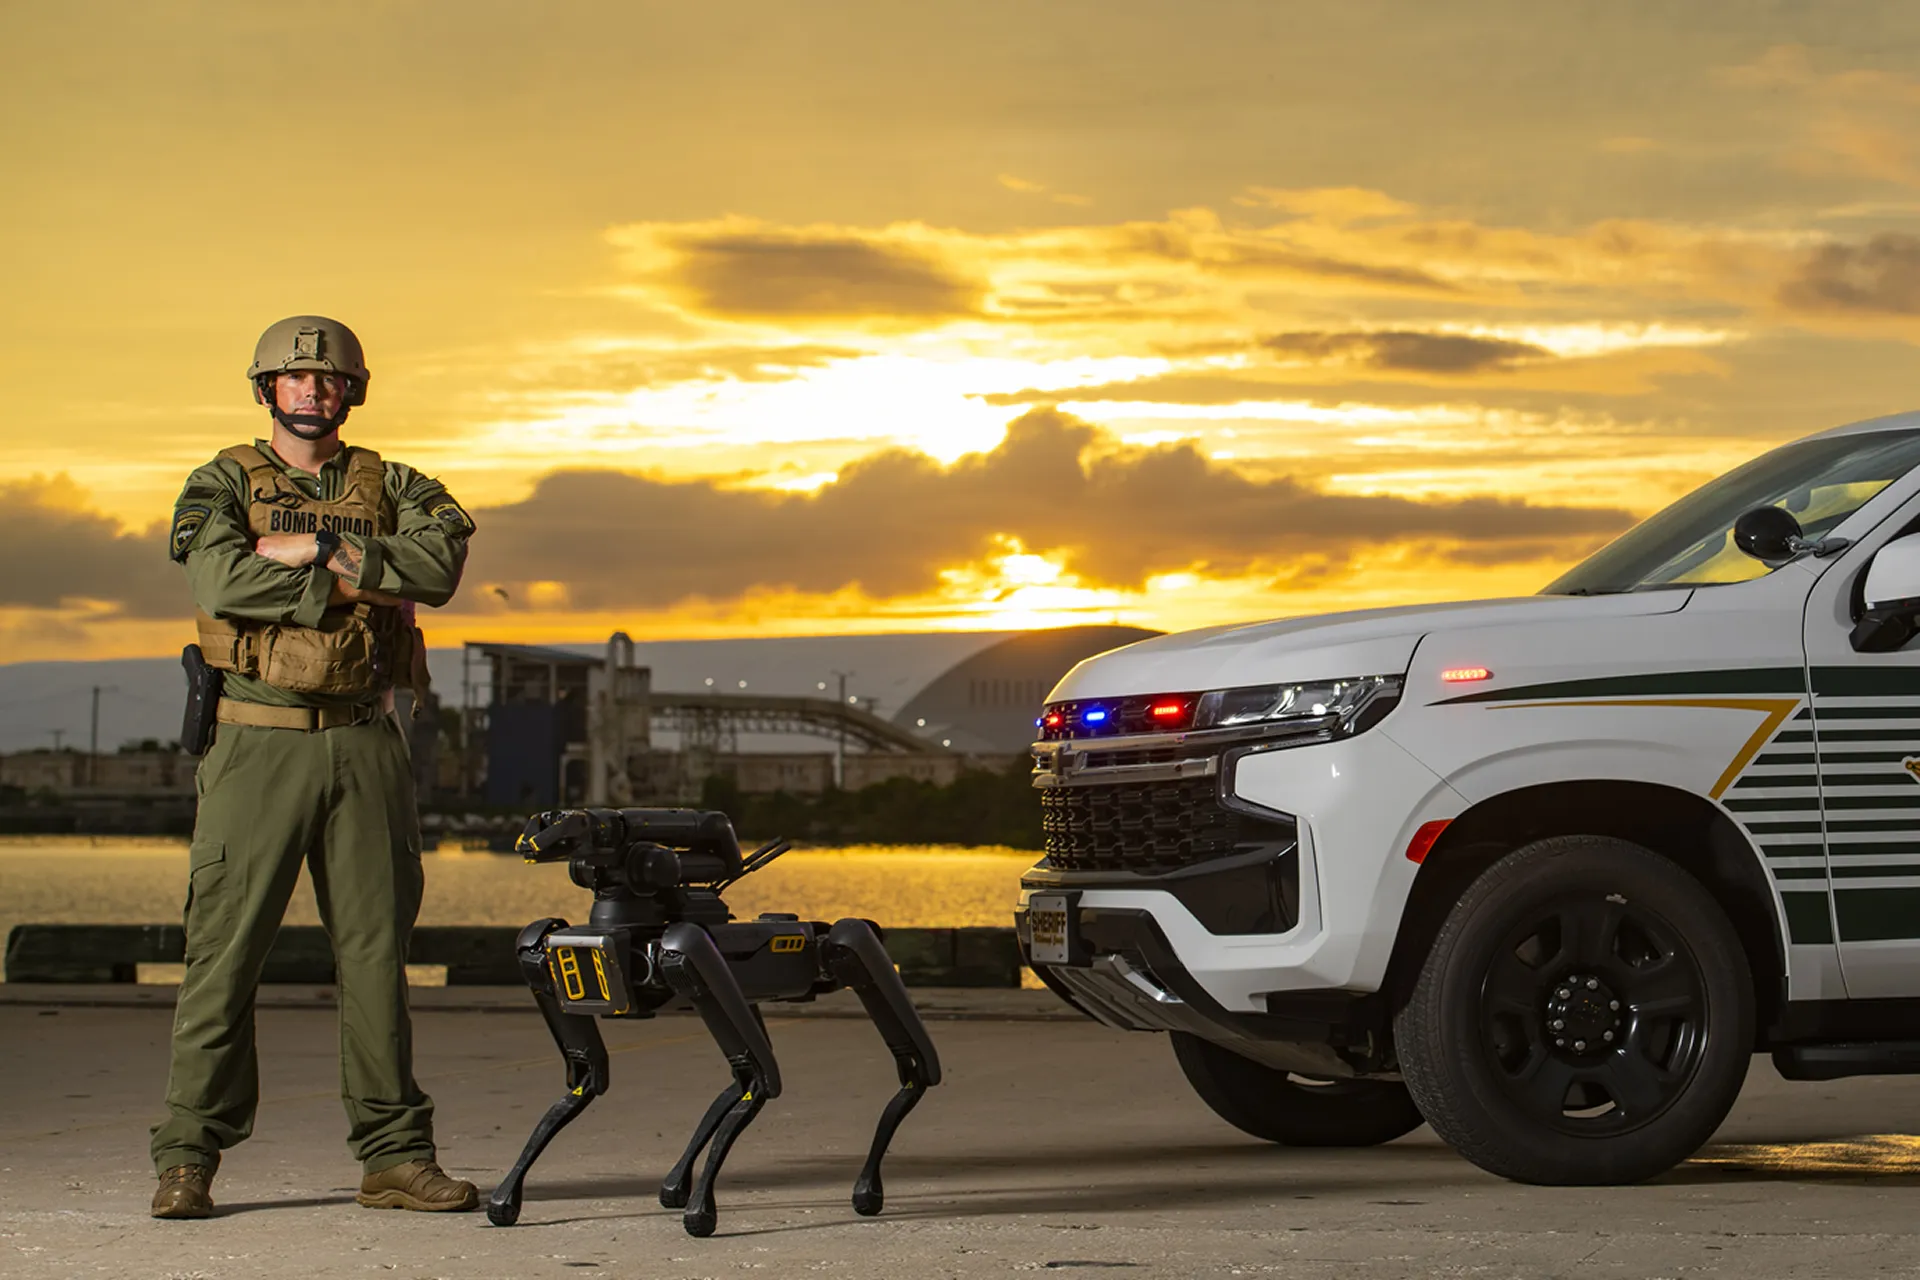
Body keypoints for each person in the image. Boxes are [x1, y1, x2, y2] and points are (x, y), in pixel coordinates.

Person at [150, 316, 479, 1219]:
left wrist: (312, 553)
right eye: (294, 378)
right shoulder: (221, 480)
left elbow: (440, 565)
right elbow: (219, 583)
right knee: (224, 957)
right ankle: (187, 1158)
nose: (311, 391)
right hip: (256, 740)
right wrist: (369, 573)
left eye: (328, 379)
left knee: (376, 959)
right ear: (267, 389)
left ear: (353, 390)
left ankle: (394, 1156)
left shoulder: (398, 481)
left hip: (366, 740)